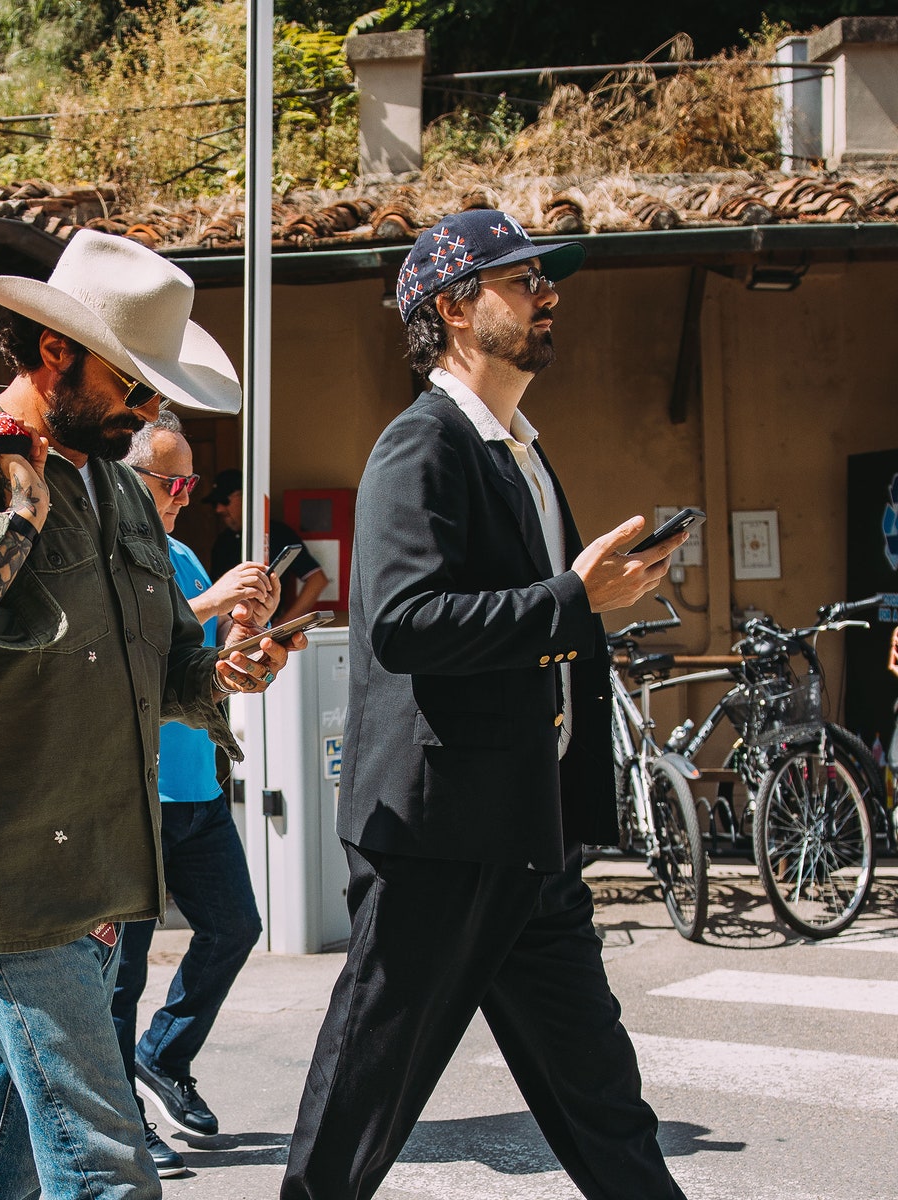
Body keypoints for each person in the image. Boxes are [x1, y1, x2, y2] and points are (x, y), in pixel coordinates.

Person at [0, 230, 304, 1200]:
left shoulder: (116, 488)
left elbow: (166, 660)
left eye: (151, 396)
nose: (144, 415)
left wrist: (228, 668)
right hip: (12, 881)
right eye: (131, 387)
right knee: (107, 1171)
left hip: (105, 879)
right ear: (55, 351)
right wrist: (15, 526)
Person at [281, 209, 690, 1200]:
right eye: (524, 280)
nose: (549, 294)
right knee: (360, 1108)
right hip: (436, 837)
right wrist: (571, 599)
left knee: (600, 1099)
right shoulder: (420, 448)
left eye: (548, 279)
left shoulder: (524, 455)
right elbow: (404, 624)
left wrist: (597, 600)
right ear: (456, 307)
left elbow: (536, 625)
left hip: (524, 831)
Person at [114, 410, 279, 1177]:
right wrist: (212, 602)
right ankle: (124, 1123)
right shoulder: (110, 557)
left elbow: (202, 675)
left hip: (195, 788)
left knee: (235, 926)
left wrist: (254, 641)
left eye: (188, 482)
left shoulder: (180, 554)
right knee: (122, 975)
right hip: (131, 801)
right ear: (128, 476)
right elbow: (136, 653)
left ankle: (163, 1053)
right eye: (169, 481)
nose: (182, 496)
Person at [205, 468, 328, 623]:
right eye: (215, 504)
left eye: (224, 501)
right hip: (226, 634)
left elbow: (316, 580)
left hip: (264, 629)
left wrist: (281, 626)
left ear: (246, 497)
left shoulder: (277, 533)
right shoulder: (222, 542)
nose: (219, 509)